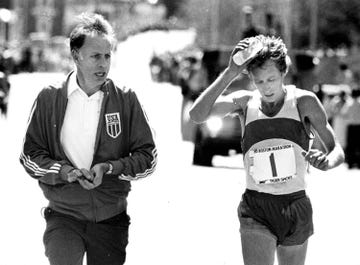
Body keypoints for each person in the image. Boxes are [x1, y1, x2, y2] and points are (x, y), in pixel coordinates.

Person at [189, 35, 344, 265]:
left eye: (271, 78)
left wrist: (326, 161)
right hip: (256, 207)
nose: (266, 87)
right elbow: (197, 115)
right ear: (251, 78)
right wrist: (230, 72)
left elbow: (336, 149)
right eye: (259, 81)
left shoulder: (304, 102)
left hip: (295, 205)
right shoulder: (245, 102)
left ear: (284, 72)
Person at [20, 13, 157, 265]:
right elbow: (30, 156)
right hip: (63, 215)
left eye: (107, 56)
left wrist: (110, 168)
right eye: (95, 56)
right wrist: (64, 172)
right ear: (76, 56)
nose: (103, 64)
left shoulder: (126, 99)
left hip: (110, 219)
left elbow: (147, 158)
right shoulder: (49, 98)